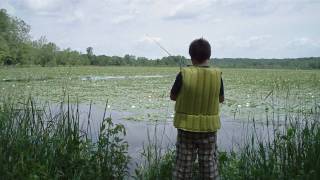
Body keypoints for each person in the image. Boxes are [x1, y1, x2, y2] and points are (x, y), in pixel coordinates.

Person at [171, 38, 224, 180]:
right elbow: (221, 99)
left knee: (183, 166)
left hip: (185, 127)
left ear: (191, 56)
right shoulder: (217, 75)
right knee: (208, 165)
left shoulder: (183, 73)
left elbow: (173, 96)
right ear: (209, 56)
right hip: (209, 129)